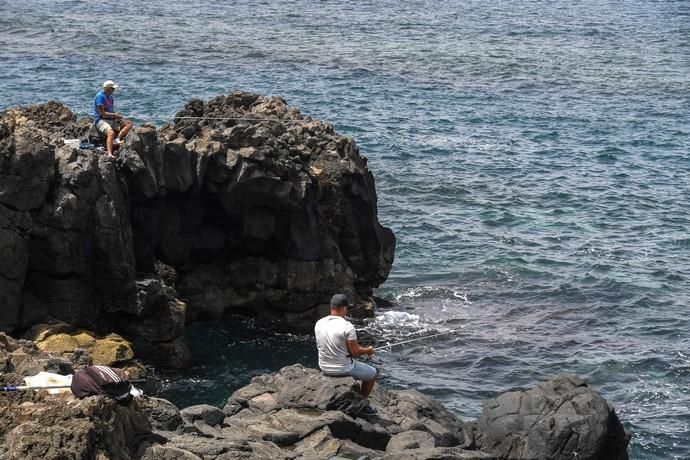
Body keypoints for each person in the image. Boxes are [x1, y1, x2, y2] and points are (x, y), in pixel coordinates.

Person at [314, 293, 378, 415]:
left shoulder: (319, 323)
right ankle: (362, 404)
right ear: (343, 308)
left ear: (331, 307)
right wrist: (368, 350)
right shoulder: (347, 326)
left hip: (324, 367)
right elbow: (355, 352)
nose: (347, 310)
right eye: (347, 308)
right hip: (342, 369)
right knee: (373, 374)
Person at [94, 80, 132, 159]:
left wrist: (116, 116)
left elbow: (111, 110)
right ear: (108, 89)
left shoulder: (110, 98)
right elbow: (102, 113)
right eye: (113, 88)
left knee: (128, 124)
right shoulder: (100, 97)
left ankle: (117, 139)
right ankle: (109, 154)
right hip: (101, 120)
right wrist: (114, 115)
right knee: (111, 133)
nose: (114, 90)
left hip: (111, 119)